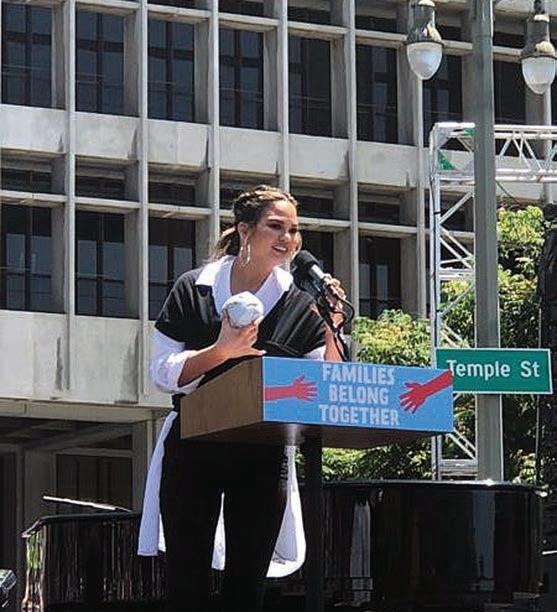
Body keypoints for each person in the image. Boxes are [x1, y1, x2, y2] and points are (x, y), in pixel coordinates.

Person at [138, 185, 345, 612]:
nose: (288, 238)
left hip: (263, 452)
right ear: (245, 230)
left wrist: (332, 325)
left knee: (247, 587)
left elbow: (325, 386)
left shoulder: (301, 302)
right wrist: (221, 351)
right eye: (276, 227)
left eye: (294, 230)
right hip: (194, 444)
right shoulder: (194, 287)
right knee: (186, 583)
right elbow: (161, 372)